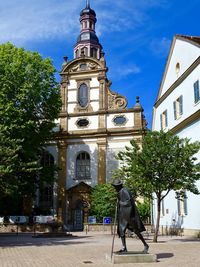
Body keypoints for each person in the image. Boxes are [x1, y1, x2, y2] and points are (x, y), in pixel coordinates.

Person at [111, 178, 149, 253]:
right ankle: (124, 247)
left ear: (119, 186)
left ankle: (145, 244)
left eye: (115, 186)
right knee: (122, 230)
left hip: (129, 215)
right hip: (123, 215)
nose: (115, 188)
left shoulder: (125, 190)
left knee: (136, 230)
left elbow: (128, 202)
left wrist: (120, 203)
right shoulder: (119, 192)